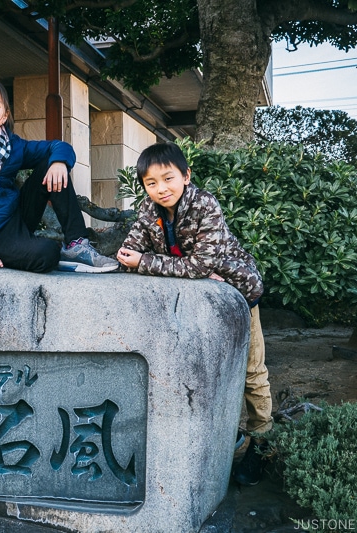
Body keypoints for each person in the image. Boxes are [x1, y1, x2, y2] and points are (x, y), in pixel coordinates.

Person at [116, 142, 272, 486]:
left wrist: (147, 263)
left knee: (251, 372)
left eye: (168, 178)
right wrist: (173, 267)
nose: (161, 188)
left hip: (236, 294)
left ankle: (262, 444)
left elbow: (202, 264)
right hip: (189, 300)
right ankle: (223, 444)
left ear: (186, 176)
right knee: (201, 373)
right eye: (151, 182)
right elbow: (128, 252)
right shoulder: (149, 208)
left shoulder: (205, 205)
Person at [0, 76, 119, 274]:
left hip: (16, 218)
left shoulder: (11, 145)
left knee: (51, 163)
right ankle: (50, 252)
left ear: (4, 115)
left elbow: (58, 146)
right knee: (47, 253)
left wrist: (59, 162)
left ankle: (77, 245)